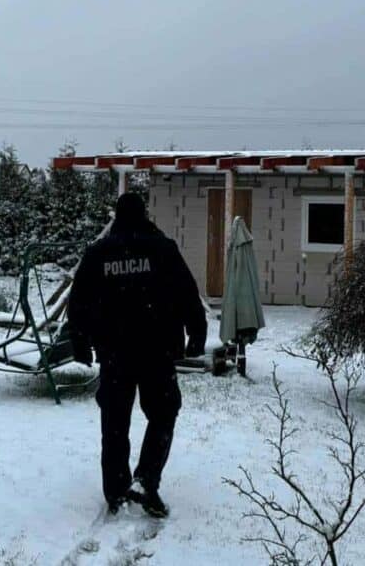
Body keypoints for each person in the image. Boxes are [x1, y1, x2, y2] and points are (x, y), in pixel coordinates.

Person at [69, 192, 207, 518]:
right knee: (163, 412)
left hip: (114, 351)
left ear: (117, 217)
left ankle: (117, 490)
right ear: (144, 214)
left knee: (114, 420)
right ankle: (146, 479)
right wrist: (197, 333)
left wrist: (80, 343)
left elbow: (79, 301)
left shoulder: (99, 253)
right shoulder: (163, 249)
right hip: (157, 349)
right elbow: (187, 292)